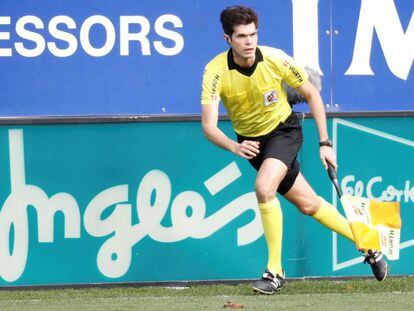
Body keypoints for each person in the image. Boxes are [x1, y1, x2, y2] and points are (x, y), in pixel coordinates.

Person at [200, 5, 388, 295]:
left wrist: (325, 144)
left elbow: (312, 93)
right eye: (241, 36)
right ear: (228, 40)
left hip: (283, 132)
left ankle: (274, 271)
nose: (249, 41)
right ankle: (369, 241)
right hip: (251, 143)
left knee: (264, 188)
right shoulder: (215, 72)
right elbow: (209, 127)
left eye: (253, 34)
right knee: (309, 204)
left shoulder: (276, 59)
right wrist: (235, 146)